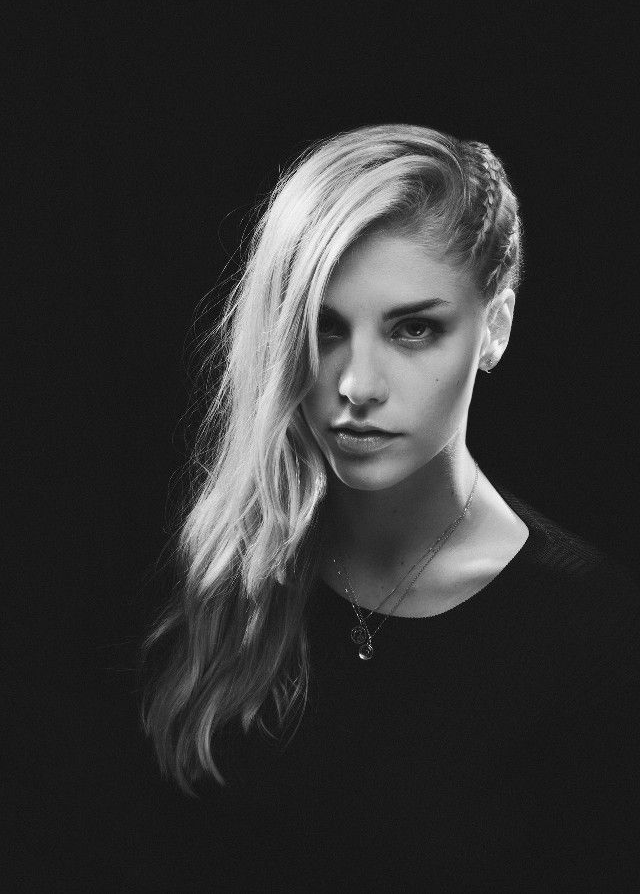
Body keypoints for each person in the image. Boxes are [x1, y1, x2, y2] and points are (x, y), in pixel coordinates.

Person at [137, 124, 640, 893]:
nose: (356, 385)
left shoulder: (591, 631)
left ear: (494, 327)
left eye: (413, 329)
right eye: (324, 328)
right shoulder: (228, 568)